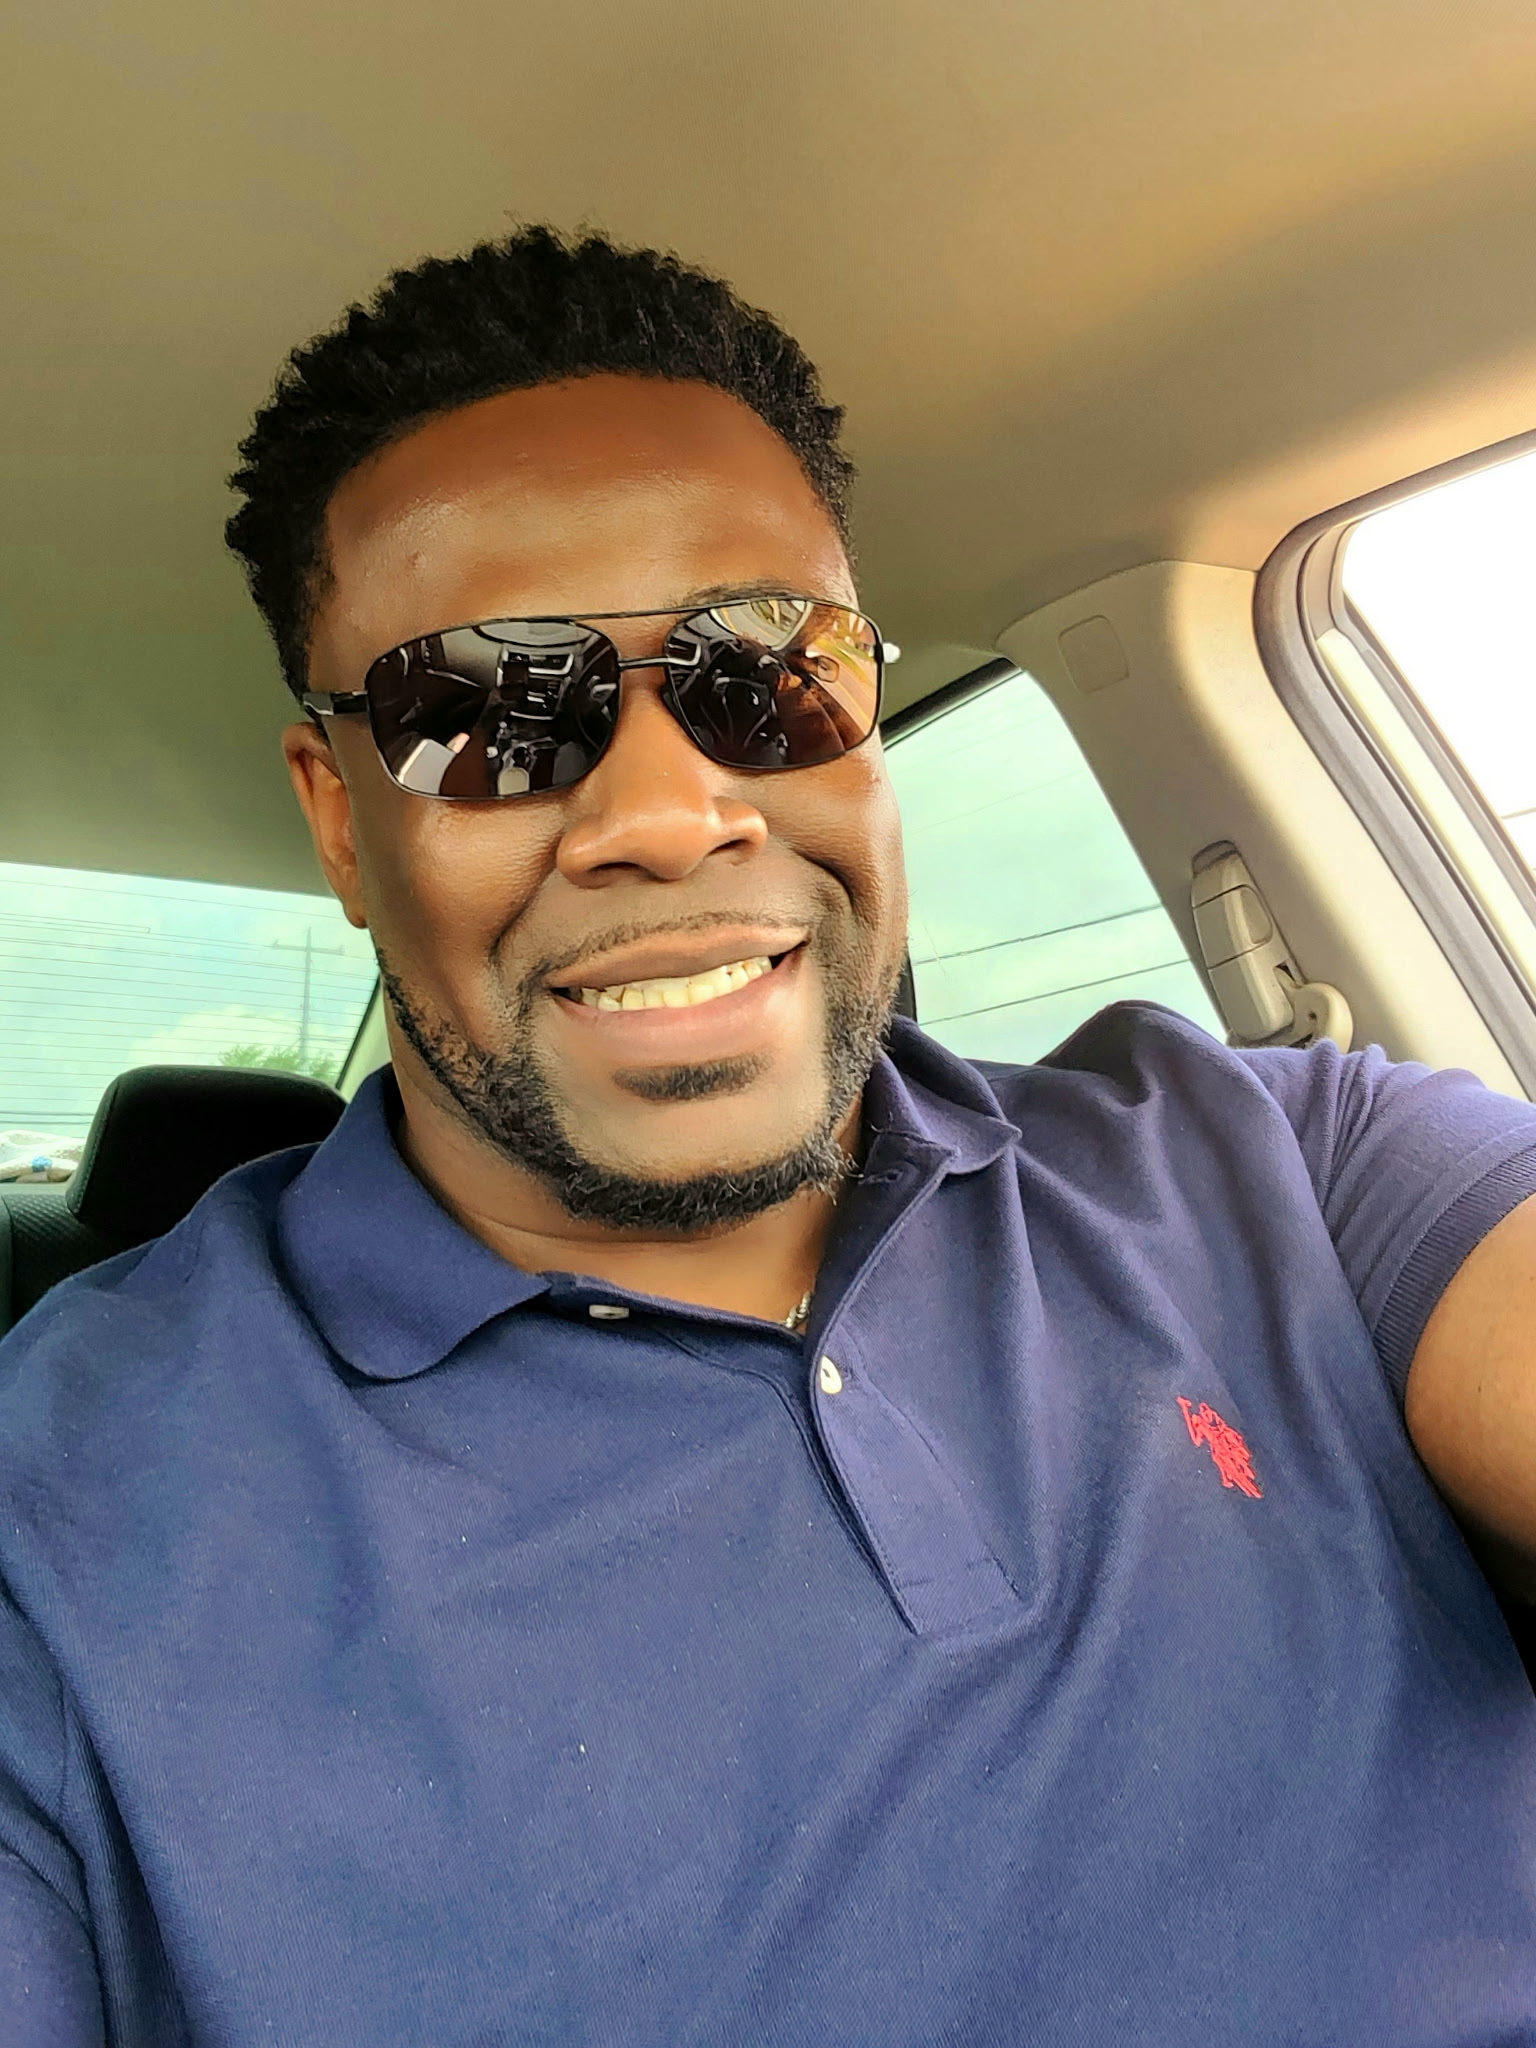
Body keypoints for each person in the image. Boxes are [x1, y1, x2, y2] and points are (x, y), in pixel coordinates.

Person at [1, 226, 1533, 2046]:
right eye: (486, 713)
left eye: (765, 669)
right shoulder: (62, 1526)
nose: (669, 811)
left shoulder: (1288, 1161)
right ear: (341, 819)